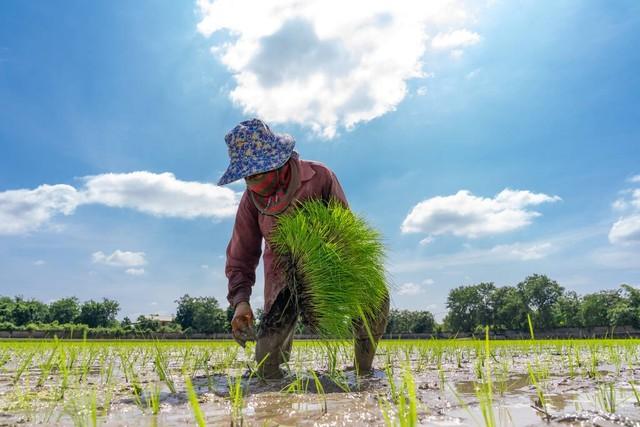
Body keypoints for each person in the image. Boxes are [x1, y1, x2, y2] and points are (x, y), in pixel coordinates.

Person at [218, 118, 389, 379]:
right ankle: (274, 369)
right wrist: (241, 302)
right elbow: (241, 255)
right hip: (283, 279)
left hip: (330, 269)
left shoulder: (318, 177)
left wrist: (329, 270)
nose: (252, 182)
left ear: (277, 161)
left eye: (257, 173)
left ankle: (363, 369)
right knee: (267, 365)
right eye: (247, 177)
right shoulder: (250, 202)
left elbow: (347, 231)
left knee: (376, 298)